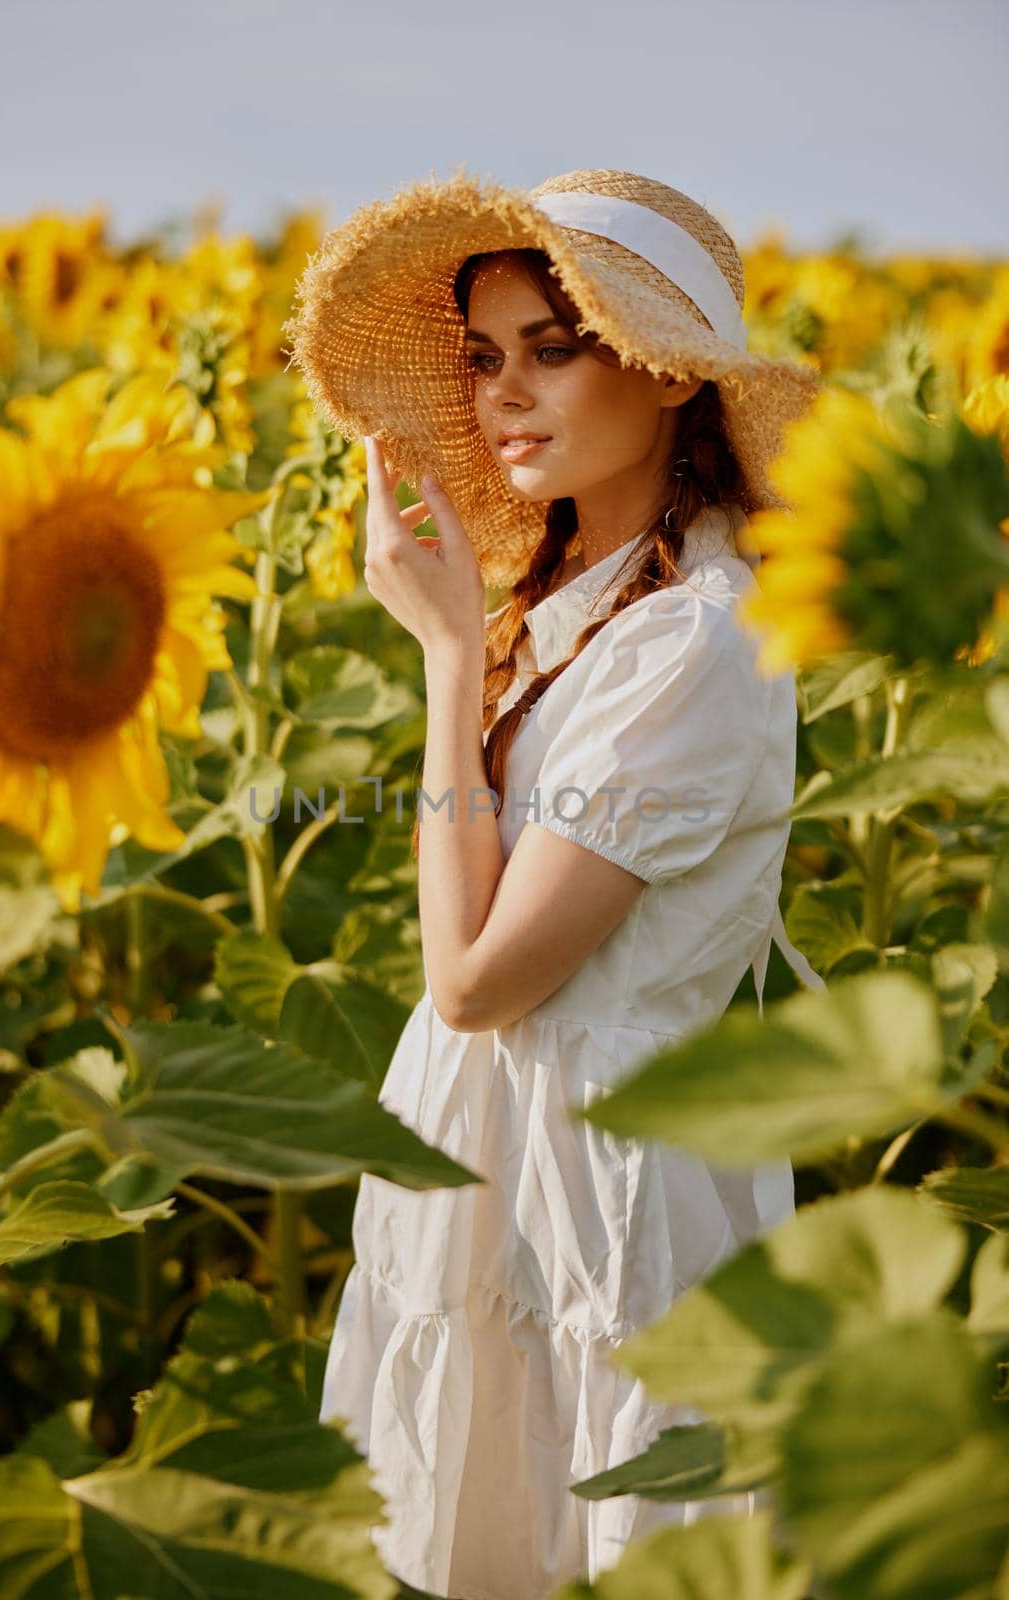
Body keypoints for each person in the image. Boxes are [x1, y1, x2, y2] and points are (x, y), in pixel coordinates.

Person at [284, 167, 827, 1600]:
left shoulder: (694, 649)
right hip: (492, 1195)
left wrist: (444, 660)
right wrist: (477, 642)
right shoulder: (571, 610)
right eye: (483, 357)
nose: (504, 394)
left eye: (552, 346)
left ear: (664, 378)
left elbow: (473, 980)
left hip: (608, 1216)